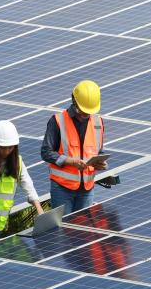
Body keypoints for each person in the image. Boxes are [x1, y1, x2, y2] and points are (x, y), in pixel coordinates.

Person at [41, 79, 106, 214]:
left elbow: (98, 150)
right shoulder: (58, 121)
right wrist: (70, 161)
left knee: (81, 233)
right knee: (64, 231)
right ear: (74, 102)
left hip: (87, 189)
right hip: (62, 189)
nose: (86, 115)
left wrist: (101, 163)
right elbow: (46, 152)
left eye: (88, 112)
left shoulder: (98, 123)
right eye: (83, 111)